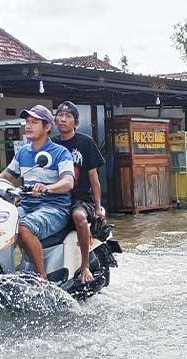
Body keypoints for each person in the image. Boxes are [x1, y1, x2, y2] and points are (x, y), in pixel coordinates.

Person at [0, 104, 74, 280]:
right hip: (27, 205)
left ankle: (41, 278)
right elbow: (6, 175)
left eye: (34, 122)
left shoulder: (60, 153)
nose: (28, 126)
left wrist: (48, 187)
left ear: (47, 127)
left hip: (54, 207)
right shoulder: (23, 152)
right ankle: (8, 269)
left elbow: (68, 182)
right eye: (27, 122)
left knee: (23, 227)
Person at [52, 101, 106, 284]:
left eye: (68, 116)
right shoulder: (51, 144)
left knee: (79, 216)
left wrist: (98, 208)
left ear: (75, 122)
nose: (63, 119)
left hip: (80, 198)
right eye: (60, 115)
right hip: (56, 197)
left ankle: (84, 266)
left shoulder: (86, 142)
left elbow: (94, 178)